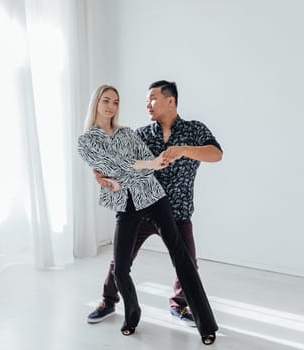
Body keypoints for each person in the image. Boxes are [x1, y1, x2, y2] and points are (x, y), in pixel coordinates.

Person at [77, 84, 218, 345]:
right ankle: (118, 307)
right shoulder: (112, 137)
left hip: (165, 203)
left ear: (170, 101)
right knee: (120, 265)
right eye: (106, 101)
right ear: (96, 103)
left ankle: (202, 323)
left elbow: (214, 154)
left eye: (115, 102)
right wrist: (104, 172)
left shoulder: (183, 130)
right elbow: (117, 165)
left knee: (186, 262)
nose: (111, 106)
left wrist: (178, 152)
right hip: (131, 206)